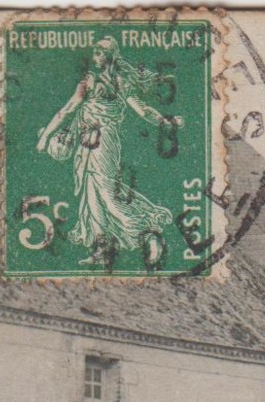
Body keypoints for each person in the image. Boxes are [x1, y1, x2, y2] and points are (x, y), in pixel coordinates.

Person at [35, 37, 179, 267]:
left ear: (110, 56)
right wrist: (46, 136)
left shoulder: (119, 83)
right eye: (95, 51)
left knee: (108, 195)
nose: (96, 55)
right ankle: (103, 249)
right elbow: (67, 111)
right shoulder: (89, 81)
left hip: (104, 143)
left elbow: (142, 111)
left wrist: (165, 121)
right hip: (86, 143)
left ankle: (149, 234)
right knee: (92, 197)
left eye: (101, 51)